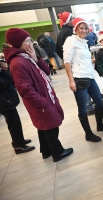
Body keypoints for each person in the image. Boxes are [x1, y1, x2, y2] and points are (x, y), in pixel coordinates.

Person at [4, 28, 73, 162]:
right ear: (18, 43)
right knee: (51, 126)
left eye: (30, 40)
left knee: (43, 125)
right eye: (26, 41)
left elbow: (46, 71)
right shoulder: (18, 62)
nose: (30, 43)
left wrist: (36, 59)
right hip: (40, 101)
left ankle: (46, 151)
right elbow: (25, 89)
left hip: (44, 96)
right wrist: (42, 102)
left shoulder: (26, 56)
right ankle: (58, 152)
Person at [63, 17, 103, 142]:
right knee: (83, 108)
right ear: (75, 29)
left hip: (90, 77)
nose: (84, 30)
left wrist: (96, 60)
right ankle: (88, 134)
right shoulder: (71, 40)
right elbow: (67, 62)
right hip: (79, 79)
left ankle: (100, 125)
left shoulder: (84, 42)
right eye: (81, 28)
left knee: (99, 102)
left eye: (86, 28)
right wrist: (71, 80)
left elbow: (83, 59)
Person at [0, 56, 35, 154]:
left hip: (6, 99)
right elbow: (3, 85)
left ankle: (18, 141)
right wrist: (5, 71)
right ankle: (19, 146)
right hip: (4, 101)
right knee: (13, 124)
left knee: (15, 122)